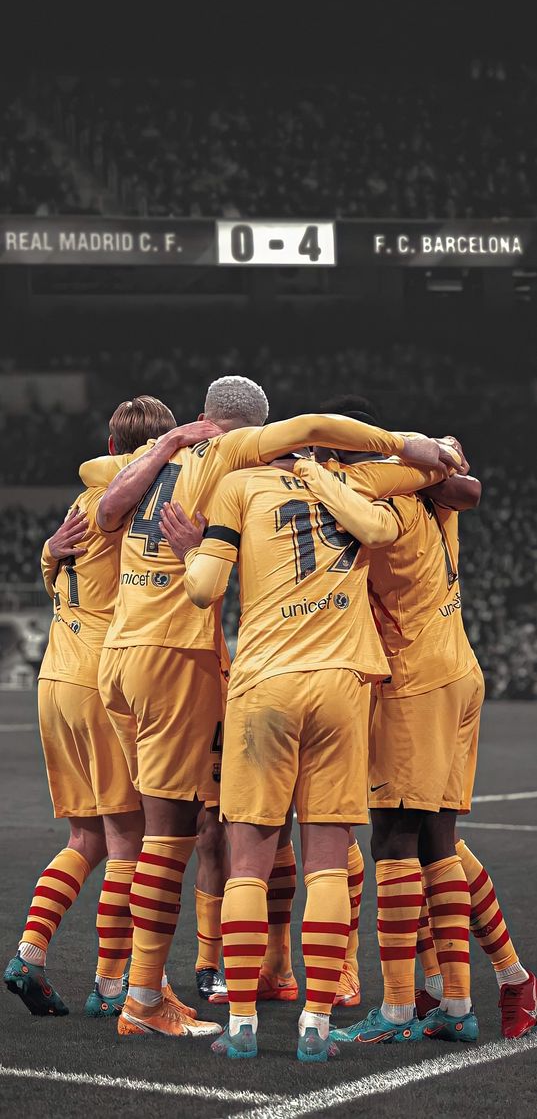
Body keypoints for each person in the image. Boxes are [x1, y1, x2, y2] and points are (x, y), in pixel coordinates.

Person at [78, 374, 456, 1040]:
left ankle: (215, 1001)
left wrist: (169, 441)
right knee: (254, 842)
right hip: (210, 660)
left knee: (152, 835)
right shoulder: (241, 462)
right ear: (252, 429)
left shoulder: (154, 462)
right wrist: (416, 446)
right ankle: (189, 996)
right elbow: (329, 438)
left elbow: (106, 504)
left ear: (202, 415)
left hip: (128, 653)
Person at [296, 402, 535, 1043]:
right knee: (439, 843)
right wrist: (426, 459)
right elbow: (468, 486)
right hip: (455, 670)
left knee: (394, 841)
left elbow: (368, 528)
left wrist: (316, 473)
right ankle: (479, 991)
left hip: (413, 681)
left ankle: (401, 1006)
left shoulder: (382, 501)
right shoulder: (430, 491)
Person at [3, 396, 214, 1030]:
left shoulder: (79, 506)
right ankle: (114, 980)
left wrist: (47, 549)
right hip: (102, 680)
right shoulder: (136, 506)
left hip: (54, 679)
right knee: (131, 841)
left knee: (85, 838)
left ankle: (30, 953)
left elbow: (54, 572)